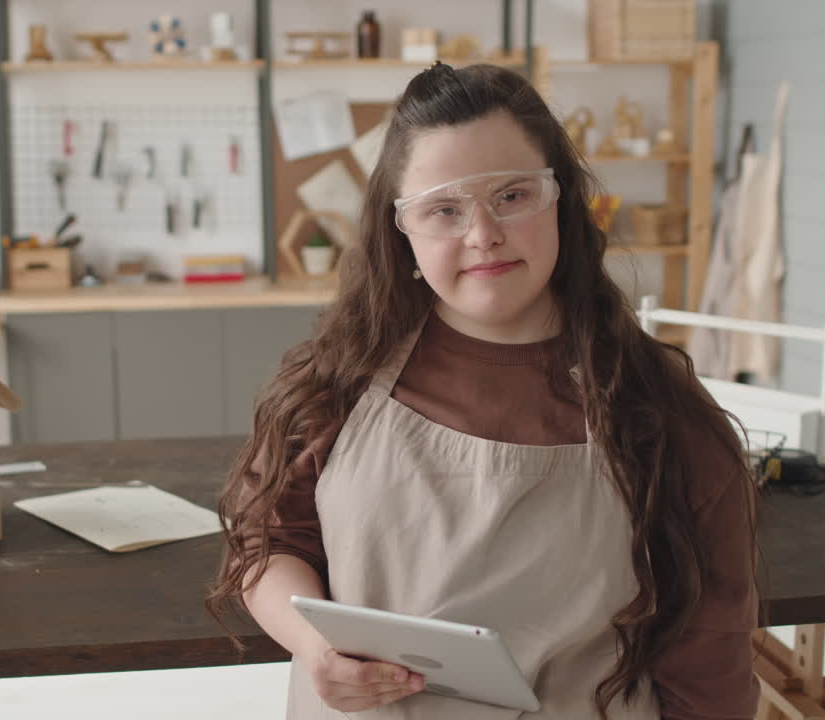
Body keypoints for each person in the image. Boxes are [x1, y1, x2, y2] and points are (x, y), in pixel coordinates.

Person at [208, 62, 760, 719]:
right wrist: (313, 646)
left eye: (512, 195)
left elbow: (709, 659)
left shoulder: (658, 407)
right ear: (402, 230)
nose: (482, 233)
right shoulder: (340, 379)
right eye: (444, 208)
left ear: (560, 199)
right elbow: (268, 544)